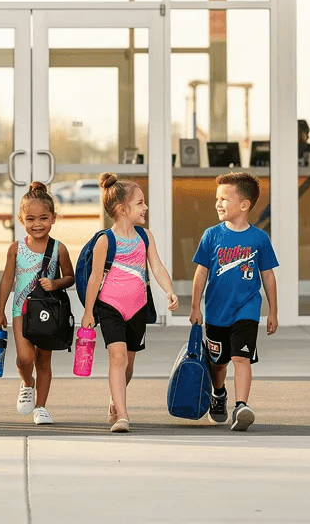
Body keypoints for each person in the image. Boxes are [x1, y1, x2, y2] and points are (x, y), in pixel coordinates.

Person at [79, 173, 179, 433]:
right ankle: (123, 415)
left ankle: (116, 396)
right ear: (122, 209)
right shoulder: (105, 240)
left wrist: (168, 290)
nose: (145, 208)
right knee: (118, 357)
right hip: (109, 307)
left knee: (129, 363)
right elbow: (94, 279)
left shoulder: (145, 237)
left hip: (137, 308)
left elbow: (156, 266)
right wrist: (89, 311)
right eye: (140, 203)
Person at [189, 172, 280, 432]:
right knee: (218, 364)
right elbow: (201, 273)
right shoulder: (211, 235)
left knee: (242, 357)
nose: (218, 203)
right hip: (216, 312)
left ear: (244, 205)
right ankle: (219, 394)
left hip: (247, 309)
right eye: (217, 199)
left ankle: (241, 406)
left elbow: (268, 276)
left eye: (224, 199)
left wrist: (273, 311)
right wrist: (195, 306)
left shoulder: (259, 239)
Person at [0, 181, 75, 426]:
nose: (37, 224)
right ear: (21, 219)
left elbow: (70, 277)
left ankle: (41, 407)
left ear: (53, 219)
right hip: (21, 310)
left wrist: (56, 283)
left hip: (48, 312)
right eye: (30, 219)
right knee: (25, 358)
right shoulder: (15, 248)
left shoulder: (59, 249)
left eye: (43, 218)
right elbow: (7, 279)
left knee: (44, 361)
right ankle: (27, 383)